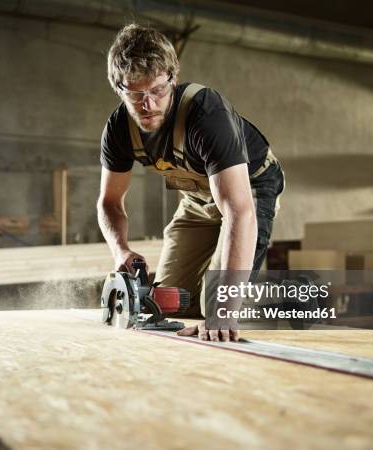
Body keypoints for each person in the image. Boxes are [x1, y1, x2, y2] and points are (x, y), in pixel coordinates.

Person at [97, 24, 284, 342]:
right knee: (166, 302)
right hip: (197, 199)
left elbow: (240, 212)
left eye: (157, 90)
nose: (149, 105)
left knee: (216, 309)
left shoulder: (206, 114)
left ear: (173, 76)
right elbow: (109, 202)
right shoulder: (118, 129)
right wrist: (121, 251)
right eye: (136, 94)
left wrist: (223, 311)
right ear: (119, 88)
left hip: (248, 190)